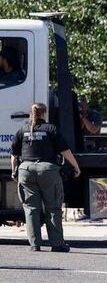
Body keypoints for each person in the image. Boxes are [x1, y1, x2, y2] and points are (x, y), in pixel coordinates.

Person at [10, 102, 81, 252]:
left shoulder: (22, 129)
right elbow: (65, 151)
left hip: (26, 170)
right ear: (44, 114)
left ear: (31, 113)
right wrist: (76, 166)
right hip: (47, 170)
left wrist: (14, 171)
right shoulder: (51, 129)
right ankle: (57, 244)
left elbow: (14, 155)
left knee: (31, 209)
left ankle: (35, 244)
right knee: (53, 208)